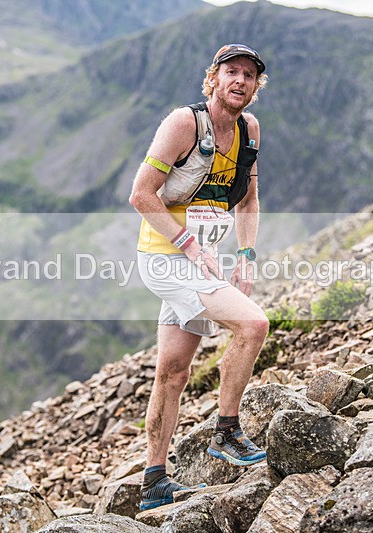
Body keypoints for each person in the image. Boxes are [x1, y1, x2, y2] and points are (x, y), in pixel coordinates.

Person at [128, 44, 270, 511]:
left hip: (202, 259)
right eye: (232, 72)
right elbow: (141, 195)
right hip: (167, 258)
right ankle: (226, 431)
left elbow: (247, 201)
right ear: (213, 78)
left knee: (173, 372)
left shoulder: (249, 131)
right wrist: (187, 244)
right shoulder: (184, 124)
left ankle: (153, 483)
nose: (241, 81)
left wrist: (246, 255)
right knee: (253, 325)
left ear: (256, 86)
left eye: (249, 75)